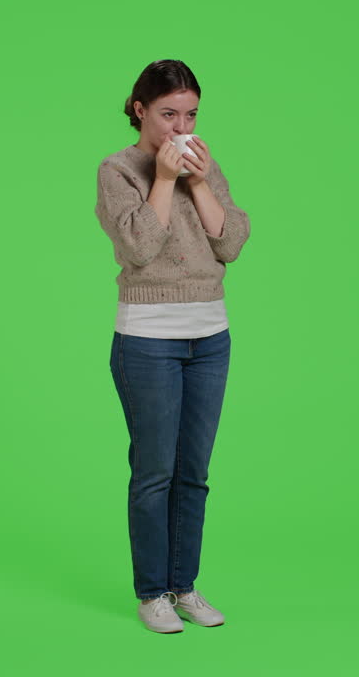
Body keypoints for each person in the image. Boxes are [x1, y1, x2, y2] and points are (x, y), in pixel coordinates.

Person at [96, 59, 250, 633]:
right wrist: (164, 177)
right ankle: (151, 592)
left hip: (210, 336)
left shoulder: (204, 167)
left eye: (189, 115)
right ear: (139, 109)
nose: (180, 128)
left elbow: (231, 243)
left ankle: (185, 585)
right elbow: (139, 246)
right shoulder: (118, 171)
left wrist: (200, 181)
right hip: (148, 341)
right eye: (168, 115)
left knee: (194, 471)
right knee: (154, 471)